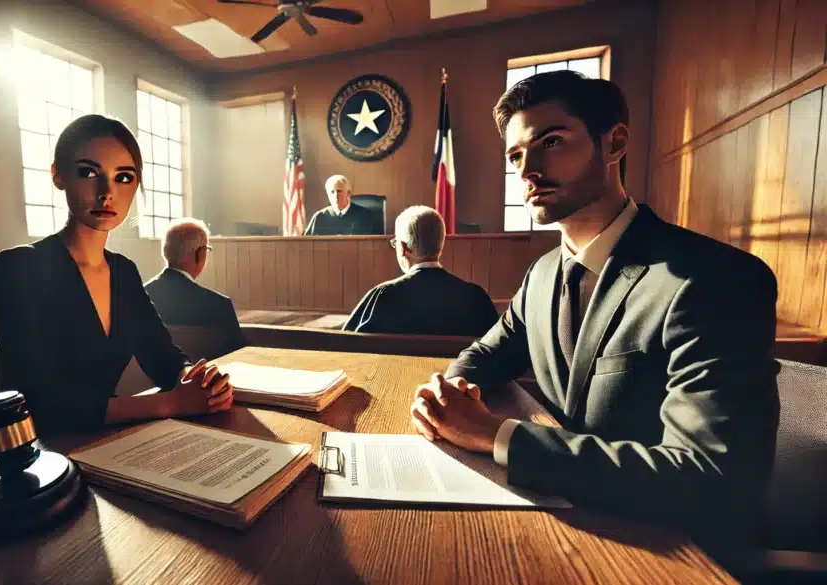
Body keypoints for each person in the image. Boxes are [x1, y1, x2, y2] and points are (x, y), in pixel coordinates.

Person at [409, 71, 779, 560]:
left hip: (670, 556)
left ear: (614, 143)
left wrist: (497, 435)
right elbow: (487, 353)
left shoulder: (717, 280)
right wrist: (450, 394)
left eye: (552, 142)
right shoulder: (542, 274)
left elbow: (710, 481)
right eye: (516, 156)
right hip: (560, 532)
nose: (527, 170)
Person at [0, 114, 232, 436]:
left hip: (111, 442)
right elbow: (37, 403)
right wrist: (170, 403)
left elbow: (162, 356)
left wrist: (197, 380)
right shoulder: (17, 267)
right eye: (88, 172)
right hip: (46, 451)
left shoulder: (123, 271)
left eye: (124, 177)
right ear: (58, 175)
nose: (107, 193)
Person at [343, 206, 499, 336]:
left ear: (403, 248)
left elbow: (347, 346)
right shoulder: (475, 297)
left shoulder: (383, 297)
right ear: (441, 246)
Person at [144, 218, 242, 339]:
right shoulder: (219, 305)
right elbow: (237, 349)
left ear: (164, 252)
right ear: (201, 255)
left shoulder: (136, 297)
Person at [303, 175, 378, 235]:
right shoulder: (320, 216)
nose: (335, 196)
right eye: (332, 192)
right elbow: (306, 244)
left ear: (348, 193)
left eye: (339, 191)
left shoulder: (364, 215)